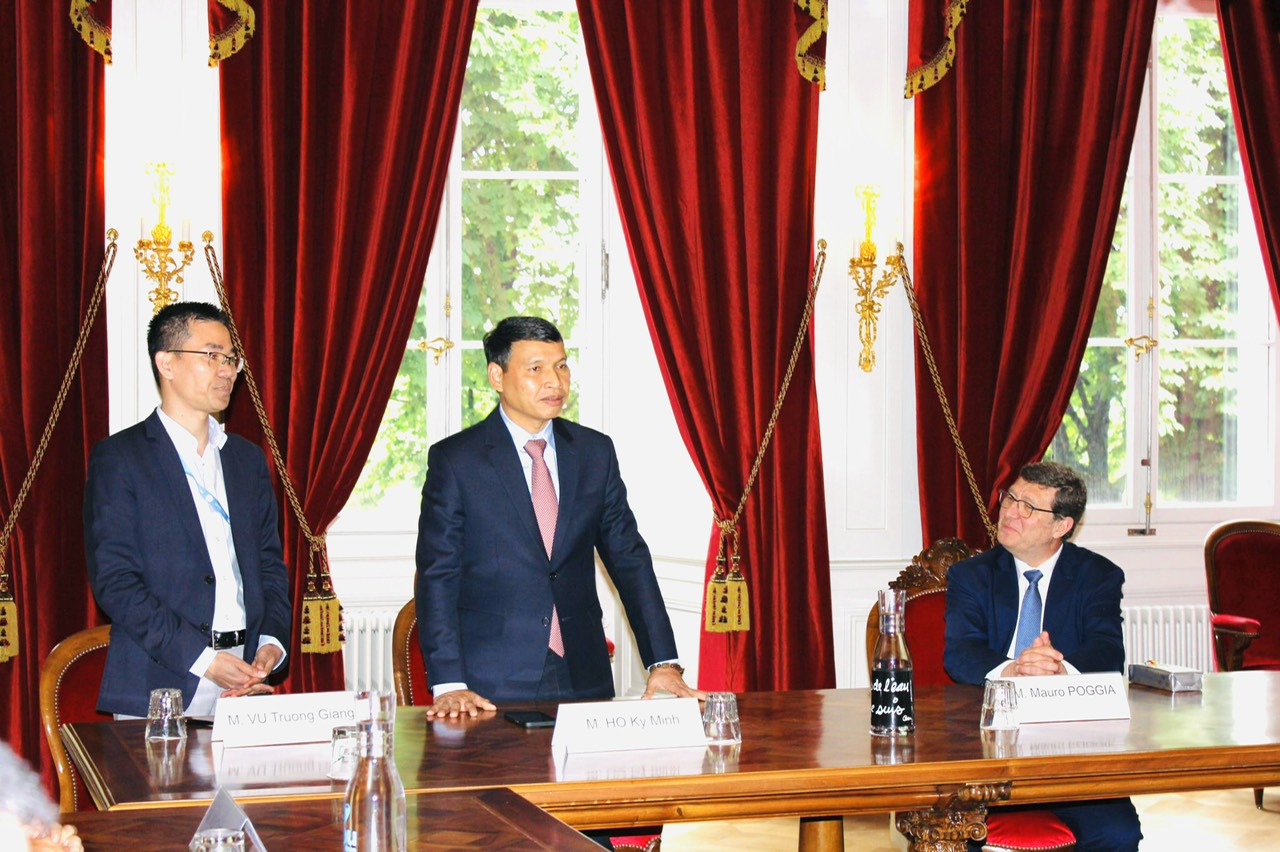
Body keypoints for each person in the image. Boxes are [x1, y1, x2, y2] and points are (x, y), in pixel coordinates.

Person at [415, 316, 702, 717]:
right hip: (489, 681)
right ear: (497, 376)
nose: (555, 381)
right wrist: (449, 682)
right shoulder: (456, 460)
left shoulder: (594, 453)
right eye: (536, 369)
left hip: (584, 673)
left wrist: (663, 662)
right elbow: (437, 575)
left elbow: (629, 558)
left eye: (561, 365)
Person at [84, 301, 291, 718]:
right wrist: (204, 660)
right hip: (161, 678)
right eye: (212, 355)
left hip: (246, 677)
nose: (228, 370)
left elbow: (270, 566)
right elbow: (116, 581)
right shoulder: (121, 458)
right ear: (167, 363)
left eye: (232, 358)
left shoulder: (247, 460)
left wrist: (271, 643)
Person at [944, 461, 1141, 851]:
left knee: (1118, 833)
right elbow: (960, 653)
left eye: (1028, 507)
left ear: (1061, 526)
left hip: (1069, 754)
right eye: (1010, 498)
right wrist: (1014, 668)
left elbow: (1106, 651)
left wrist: (1058, 669)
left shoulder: (1098, 575)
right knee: (952, 832)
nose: (1010, 511)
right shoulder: (971, 576)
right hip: (985, 753)